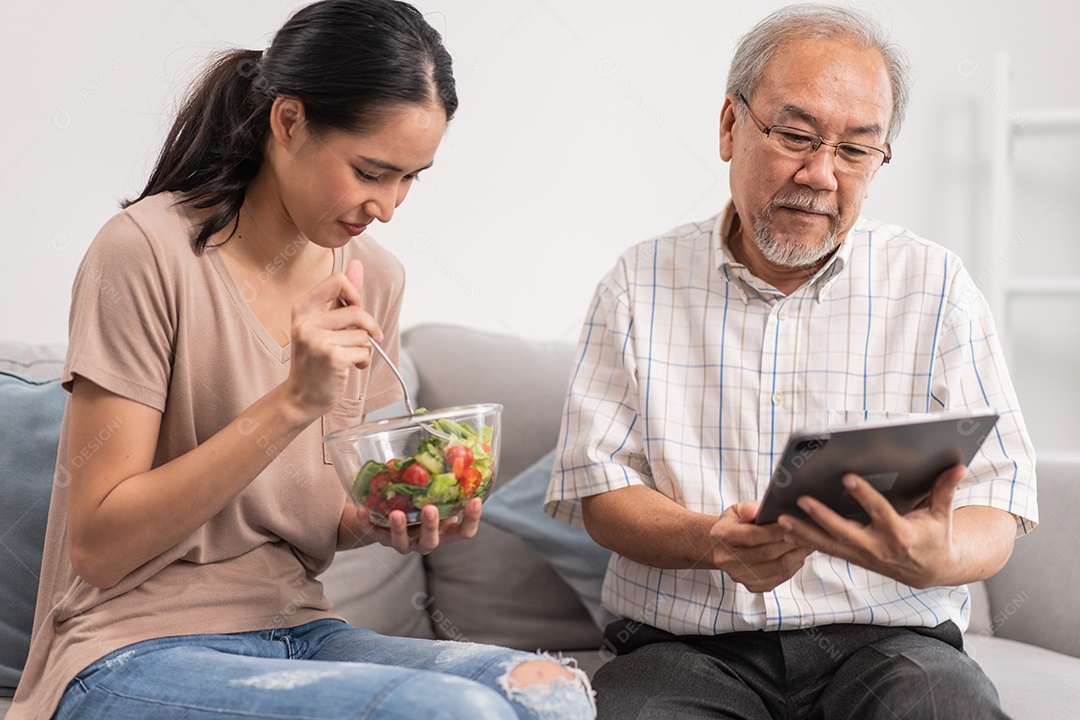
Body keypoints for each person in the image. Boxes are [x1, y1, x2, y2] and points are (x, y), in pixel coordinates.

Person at [9, 2, 596, 718]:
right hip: (130, 646)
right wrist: (291, 403)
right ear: (288, 122)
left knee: (552, 693)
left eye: (412, 178)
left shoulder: (371, 278)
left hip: (298, 627)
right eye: (371, 171)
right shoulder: (144, 253)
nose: (388, 206)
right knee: (448, 710)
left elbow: (323, 511)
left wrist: (384, 516)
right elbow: (99, 546)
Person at [545, 4, 1036, 719]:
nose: (820, 175)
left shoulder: (937, 286)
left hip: (892, 645)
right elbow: (600, 492)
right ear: (729, 126)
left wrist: (939, 558)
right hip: (685, 649)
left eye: (856, 150)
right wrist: (710, 541)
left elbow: (1003, 496)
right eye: (796, 136)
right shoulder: (637, 282)